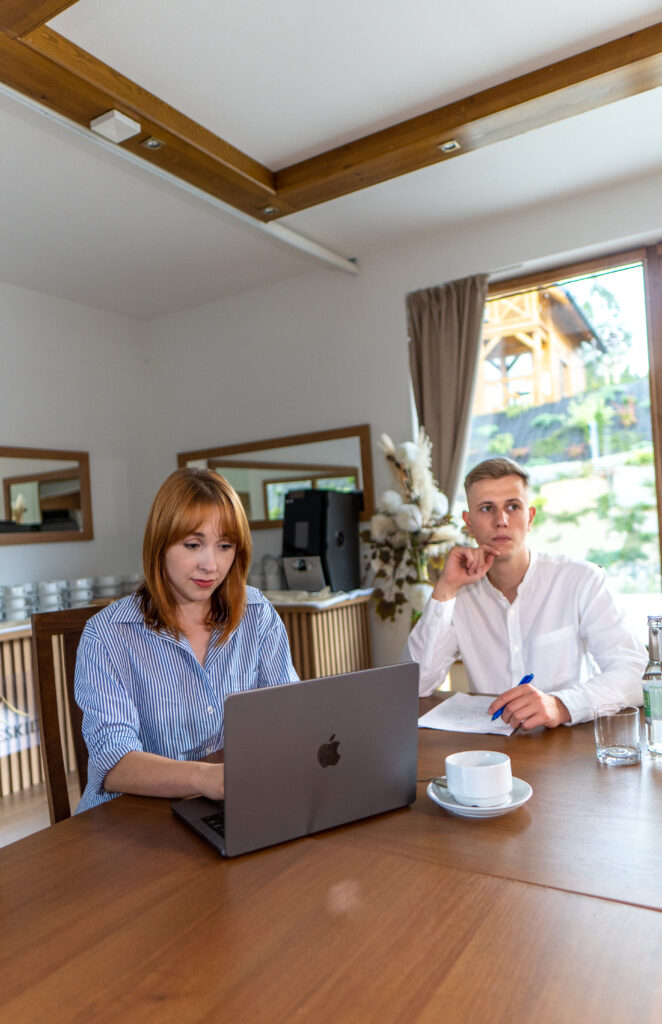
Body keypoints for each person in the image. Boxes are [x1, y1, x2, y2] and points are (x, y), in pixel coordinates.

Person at [74, 467, 298, 812]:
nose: (211, 565)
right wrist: (207, 779)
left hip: (232, 804)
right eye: (193, 545)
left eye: (225, 546)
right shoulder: (107, 635)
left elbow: (289, 713)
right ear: (160, 544)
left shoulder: (257, 614)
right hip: (130, 821)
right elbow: (114, 762)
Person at [407, 457, 647, 729]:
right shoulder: (458, 595)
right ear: (469, 523)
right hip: (489, 753)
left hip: (569, 747)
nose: (501, 520)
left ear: (530, 517)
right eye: (487, 508)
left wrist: (561, 704)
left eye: (513, 506)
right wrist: (445, 589)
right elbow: (415, 686)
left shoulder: (581, 580)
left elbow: (636, 671)